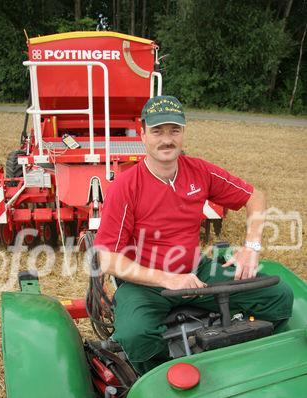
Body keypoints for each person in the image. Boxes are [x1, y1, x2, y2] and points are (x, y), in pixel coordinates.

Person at [94, 95, 293, 375]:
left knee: (278, 296)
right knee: (135, 334)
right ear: (142, 135)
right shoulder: (126, 186)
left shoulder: (199, 172)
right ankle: (164, 380)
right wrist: (168, 279)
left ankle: (250, 364)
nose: (167, 140)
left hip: (195, 273)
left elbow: (254, 197)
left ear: (184, 133)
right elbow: (107, 259)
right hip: (146, 283)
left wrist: (251, 246)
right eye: (157, 131)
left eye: (174, 130)